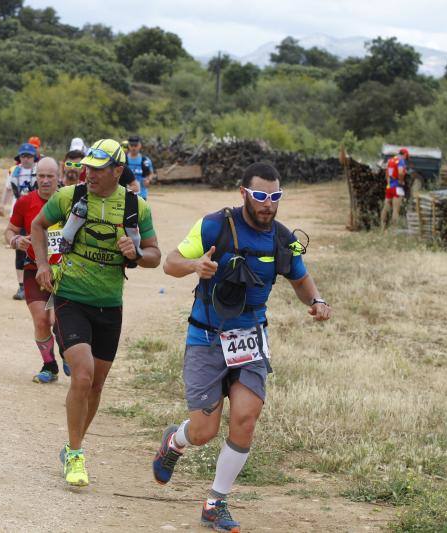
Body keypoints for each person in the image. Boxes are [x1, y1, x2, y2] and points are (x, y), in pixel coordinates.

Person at [152, 162, 332, 531]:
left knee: (246, 418)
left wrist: (316, 301)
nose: (268, 204)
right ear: (244, 194)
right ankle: (176, 439)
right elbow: (170, 262)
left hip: (250, 336)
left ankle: (215, 502)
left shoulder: (281, 238)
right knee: (204, 431)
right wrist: (194, 266)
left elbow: (300, 278)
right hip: (206, 336)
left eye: (275, 197)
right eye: (261, 196)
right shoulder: (215, 225)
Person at [30, 139, 161, 487]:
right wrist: (42, 264)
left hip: (110, 305)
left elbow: (155, 255)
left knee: (96, 385)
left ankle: (74, 444)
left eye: (98, 169)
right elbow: (38, 226)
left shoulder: (136, 207)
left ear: (117, 170)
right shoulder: (69, 197)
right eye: (87, 167)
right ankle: (75, 454)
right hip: (71, 297)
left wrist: (135, 252)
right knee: (83, 374)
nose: (88, 174)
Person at [3, 157, 69, 383]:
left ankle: (67, 352)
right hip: (34, 269)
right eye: (41, 176)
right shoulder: (24, 202)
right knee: (42, 320)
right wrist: (16, 240)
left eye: (50, 176)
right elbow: (9, 231)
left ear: (58, 177)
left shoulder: (68, 202)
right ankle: (49, 366)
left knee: (59, 320)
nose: (45, 181)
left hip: (65, 272)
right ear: (35, 177)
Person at [0, 143, 39, 300]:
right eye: (23, 156)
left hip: (37, 214)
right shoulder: (14, 172)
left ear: (34, 157)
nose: (26, 159)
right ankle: (22, 286)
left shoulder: (39, 172)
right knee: (20, 250)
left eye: (29, 156)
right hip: (20, 214)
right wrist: (2, 204)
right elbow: (8, 189)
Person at [380, 148, 408, 230]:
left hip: (389, 187)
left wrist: (389, 183)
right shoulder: (401, 161)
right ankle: (394, 229)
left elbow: (387, 174)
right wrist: (401, 181)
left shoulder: (390, 160)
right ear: (405, 155)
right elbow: (400, 172)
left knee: (386, 207)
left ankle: (382, 227)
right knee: (396, 209)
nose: (406, 159)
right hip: (397, 187)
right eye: (406, 157)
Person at [125, 135, 154, 199]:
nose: (133, 148)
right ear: (128, 146)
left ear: (140, 145)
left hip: (142, 195)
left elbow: (151, 173)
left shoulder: (145, 160)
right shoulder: (123, 160)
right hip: (126, 195)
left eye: (135, 146)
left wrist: (148, 180)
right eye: (132, 145)